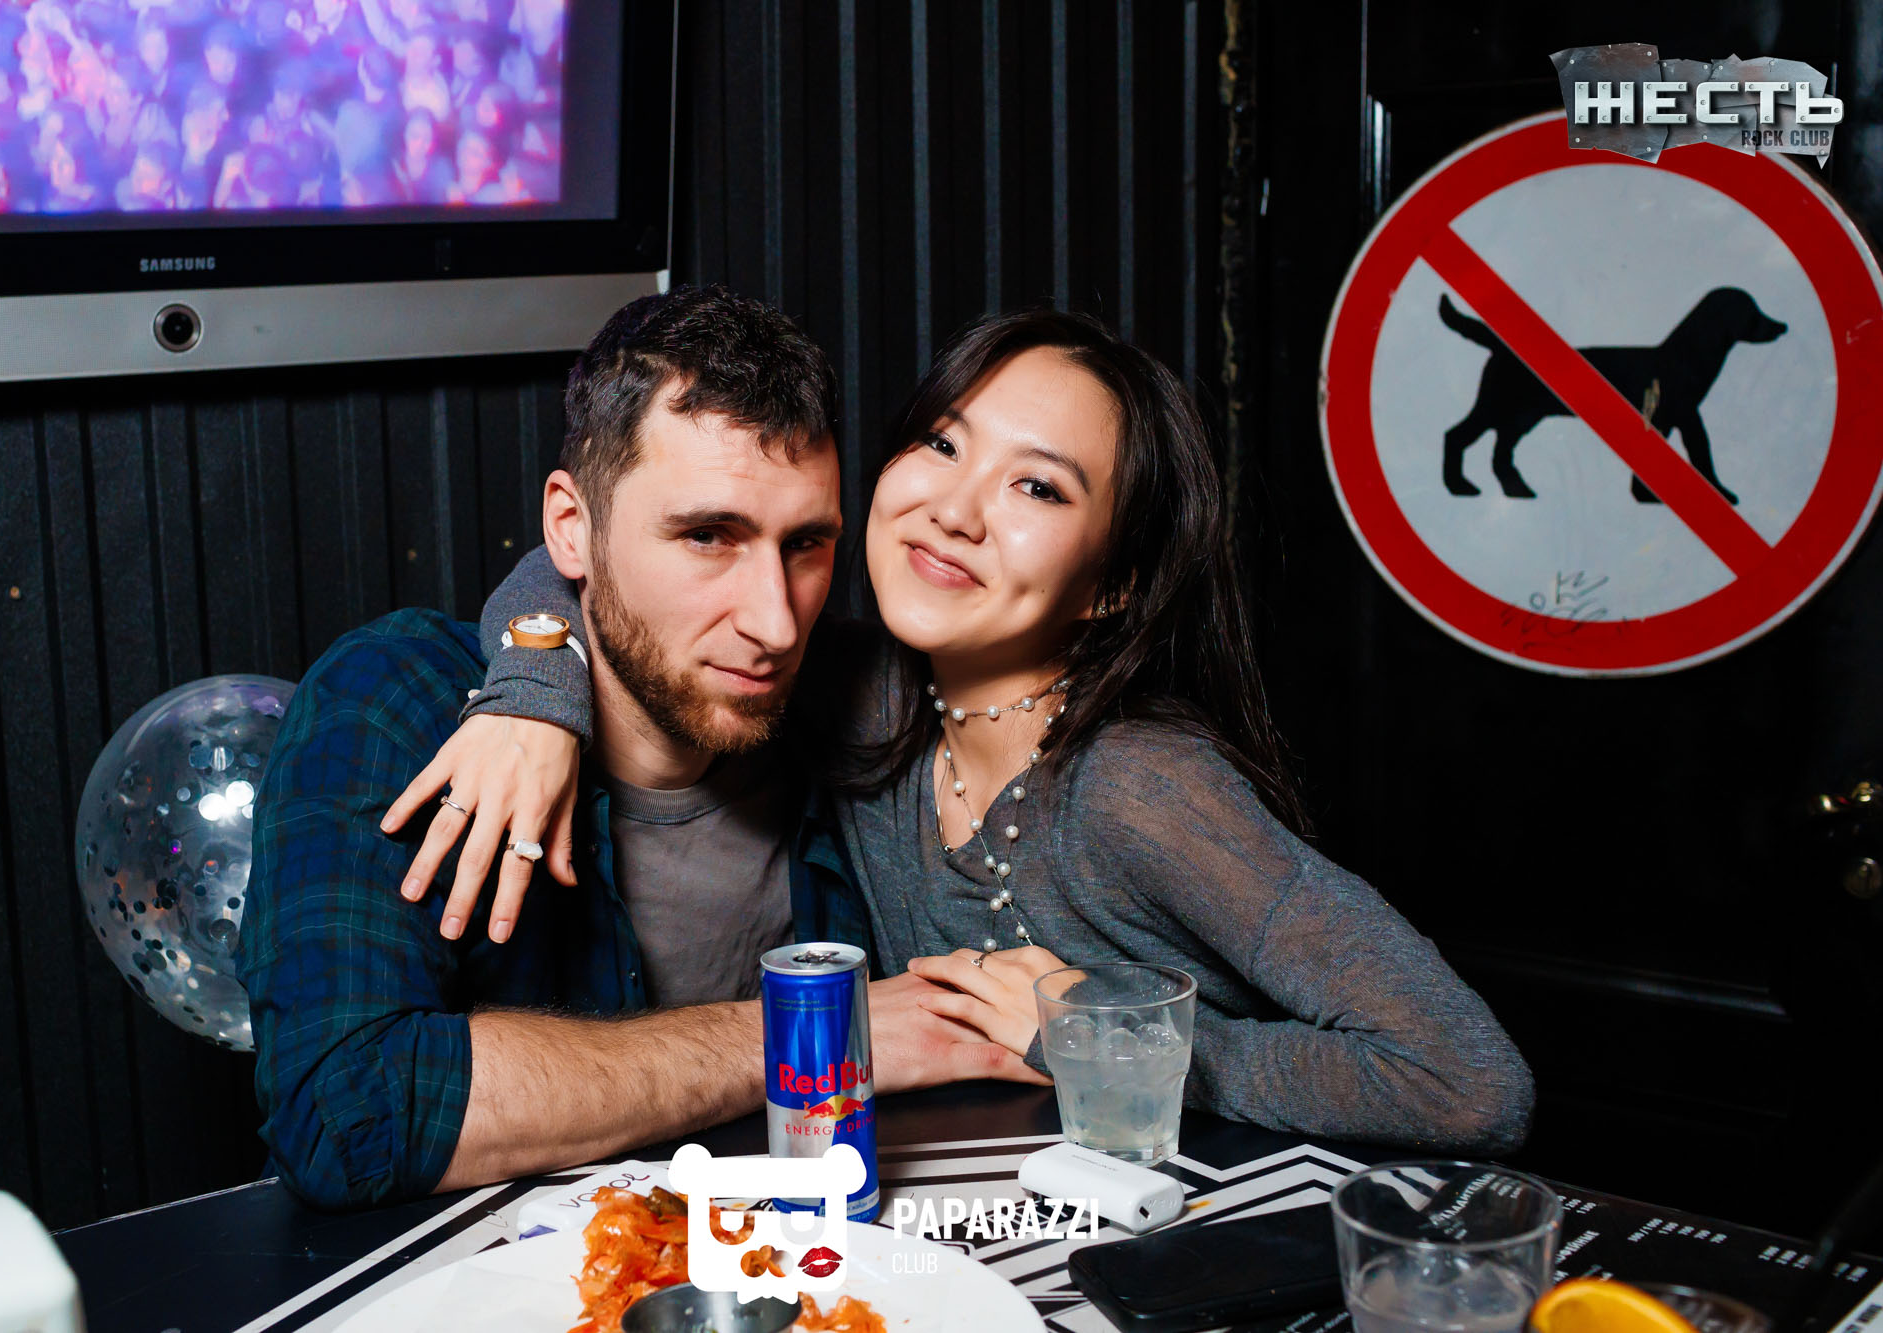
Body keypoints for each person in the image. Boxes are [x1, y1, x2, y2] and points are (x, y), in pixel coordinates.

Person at [412, 307, 1538, 1153]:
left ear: (1112, 582)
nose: (954, 509)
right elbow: (604, 555)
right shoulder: (851, 689)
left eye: (1037, 489)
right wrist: (535, 690)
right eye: (944, 446)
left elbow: (1469, 1082)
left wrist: (1107, 1036)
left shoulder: (1140, 788)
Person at [238, 287, 1044, 1211]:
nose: (776, 623)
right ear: (571, 528)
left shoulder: (853, 705)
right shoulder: (398, 702)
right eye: (707, 536)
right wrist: (811, 1035)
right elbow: (348, 1114)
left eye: (807, 544)